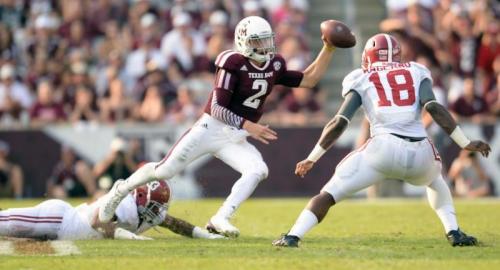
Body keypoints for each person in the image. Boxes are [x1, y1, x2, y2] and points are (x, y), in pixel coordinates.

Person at [98, 16, 336, 238]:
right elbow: (217, 107)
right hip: (210, 128)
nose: (265, 46)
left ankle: (221, 217)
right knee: (164, 171)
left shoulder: (274, 64)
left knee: (257, 170)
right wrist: (250, 126)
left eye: (266, 40)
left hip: (234, 136)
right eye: (258, 41)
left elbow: (309, 79)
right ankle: (120, 191)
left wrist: (329, 48)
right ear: (244, 42)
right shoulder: (232, 63)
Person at [273, 33, 491, 248]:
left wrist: (312, 158)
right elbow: (433, 107)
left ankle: (293, 236)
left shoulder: (360, 76)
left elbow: (340, 121)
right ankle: (453, 231)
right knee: (436, 182)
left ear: (369, 56)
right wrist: (464, 142)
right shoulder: (416, 70)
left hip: (383, 149)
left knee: (329, 193)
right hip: (420, 152)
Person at [0, 180, 222, 241]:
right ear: (143, 198)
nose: (158, 212)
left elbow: (175, 224)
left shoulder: (147, 211)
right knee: (6, 223)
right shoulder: (126, 205)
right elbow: (97, 221)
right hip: (59, 220)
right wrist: (128, 236)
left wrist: (206, 236)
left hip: (60, 233)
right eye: (156, 205)